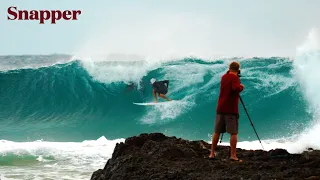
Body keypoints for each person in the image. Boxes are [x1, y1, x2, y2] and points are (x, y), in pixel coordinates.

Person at [209, 62, 244, 162]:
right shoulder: (235, 78)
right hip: (230, 109)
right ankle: (233, 155)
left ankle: (212, 153)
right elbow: (236, 88)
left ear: (229, 68)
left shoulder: (224, 76)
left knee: (217, 132)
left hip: (220, 108)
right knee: (233, 133)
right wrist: (241, 86)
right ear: (238, 69)